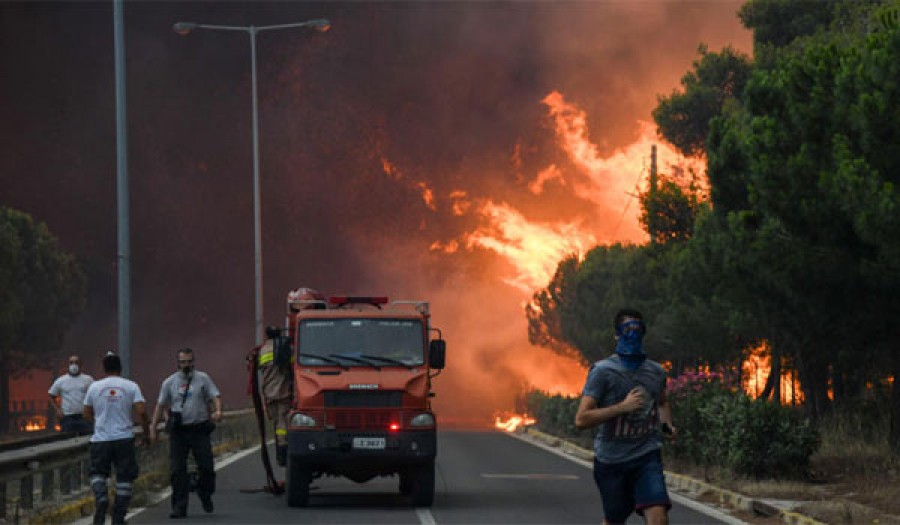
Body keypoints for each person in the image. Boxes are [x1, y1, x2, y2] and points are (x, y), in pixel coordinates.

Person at [575, 308, 676, 525]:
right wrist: (622, 407)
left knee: (658, 517)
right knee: (614, 519)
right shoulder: (602, 371)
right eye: (627, 330)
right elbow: (581, 419)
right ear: (617, 335)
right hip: (611, 460)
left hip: (646, 455)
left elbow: (662, 402)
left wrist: (666, 424)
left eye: (638, 330)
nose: (633, 335)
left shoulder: (656, 372)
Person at [149, 347, 222, 519]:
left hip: (199, 429)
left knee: (207, 467)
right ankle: (179, 507)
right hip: (179, 432)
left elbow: (215, 396)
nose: (186, 365)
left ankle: (204, 492)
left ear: (193, 362)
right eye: (183, 362)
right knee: (177, 471)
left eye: (189, 361)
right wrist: (153, 428)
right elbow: (160, 405)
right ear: (178, 363)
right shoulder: (169, 382)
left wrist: (218, 411)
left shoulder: (203, 378)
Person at [82, 351, 149, 525]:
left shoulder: (94, 387)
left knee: (97, 472)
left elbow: (86, 413)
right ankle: (118, 517)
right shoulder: (131, 386)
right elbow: (142, 412)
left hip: (100, 439)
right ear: (120, 368)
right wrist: (146, 434)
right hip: (124, 439)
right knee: (125, 478)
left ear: (104, 368)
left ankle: (101, 497)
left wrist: (99, 422)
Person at [258, 325, 292, 466]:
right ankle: (283, 451)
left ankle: (280, 452)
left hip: (269, 393)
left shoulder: (262, 351)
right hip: (283, 392)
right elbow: (293, 367)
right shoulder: (286, 349)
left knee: (277, 422)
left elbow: (261, 370)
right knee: (282, 423)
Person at [49, 354, 95, 435]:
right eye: (71, 362)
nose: (74, 365)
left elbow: (95, 395)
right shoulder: (61, 380)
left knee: (87, 438)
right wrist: (58, 410)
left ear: (81, 365)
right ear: (68, 365)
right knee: (67, 439)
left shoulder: (88, 379)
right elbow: (52, 395)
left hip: (84, 417)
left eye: (76, 362)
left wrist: (91, 411)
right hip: (67, 417)